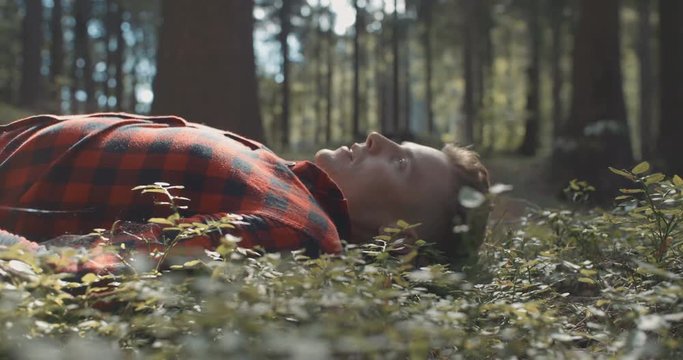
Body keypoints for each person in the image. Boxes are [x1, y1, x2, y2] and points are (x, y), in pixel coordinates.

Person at [0, 113, 489, 273]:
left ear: (397, 241)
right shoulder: (289, 183)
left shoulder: (303, 230)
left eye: (400, 163)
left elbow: (120, 261)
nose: (380, 140)